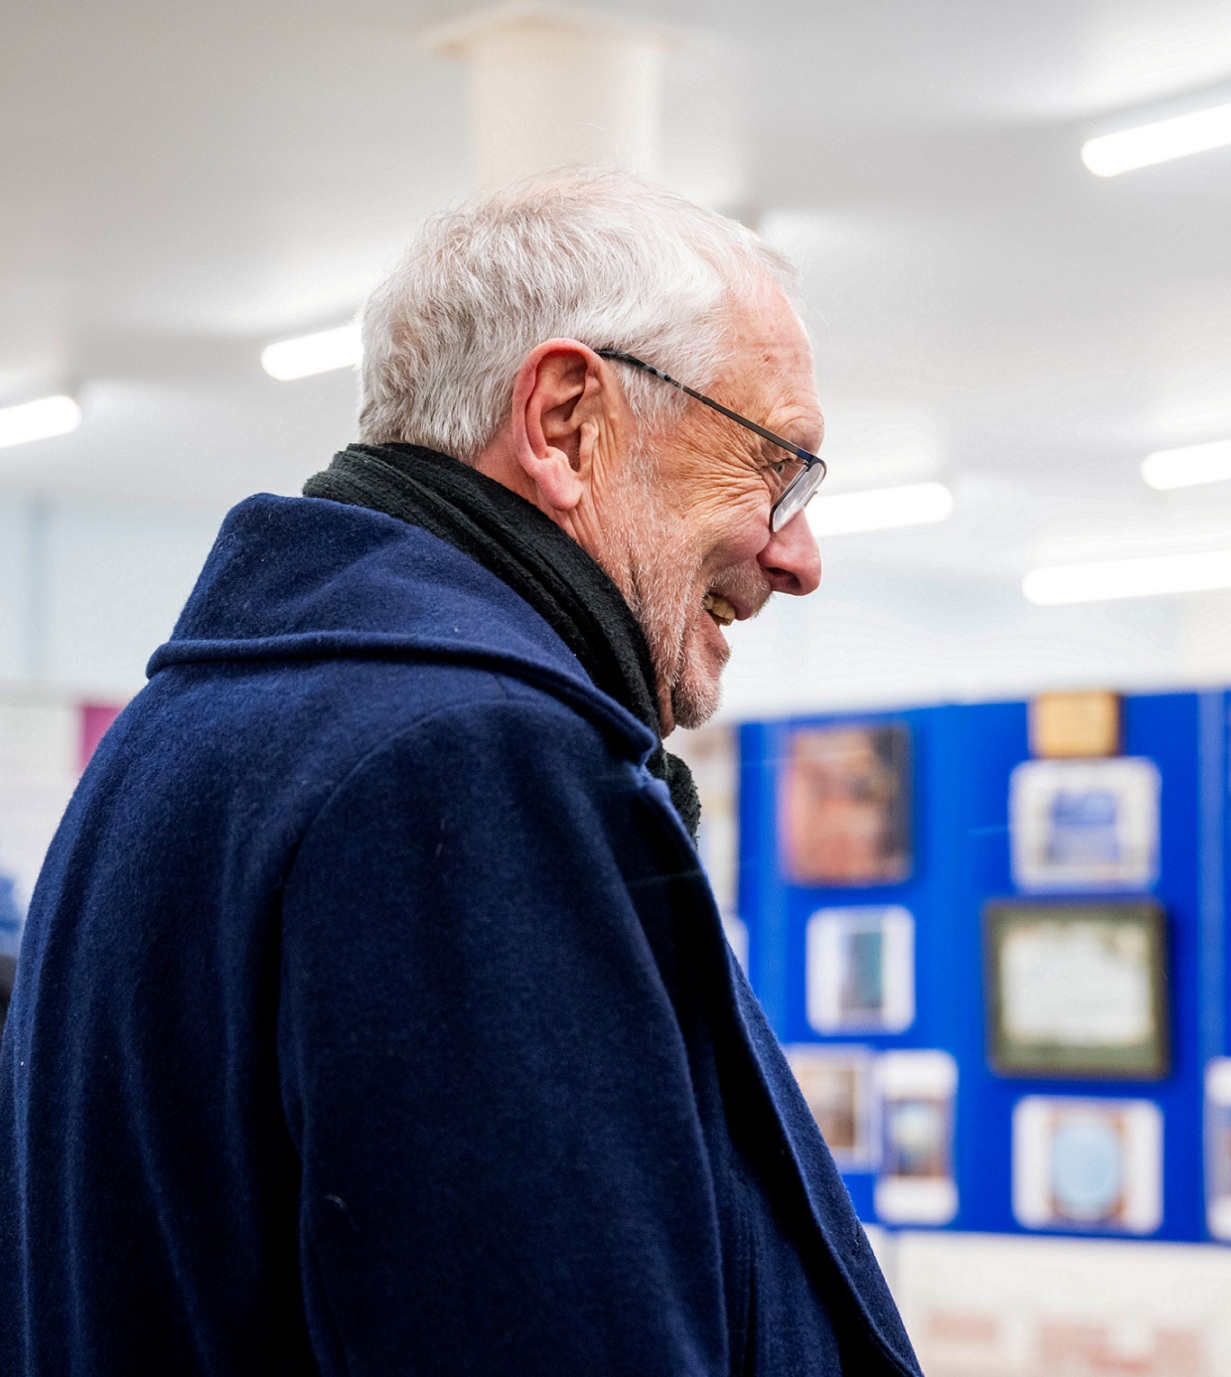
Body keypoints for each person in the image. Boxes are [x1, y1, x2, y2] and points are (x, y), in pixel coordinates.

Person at [0, 171, 918, 1376]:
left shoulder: (193, 731)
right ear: (565, 421)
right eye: (774, 468)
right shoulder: (462, 766)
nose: (798, 557)